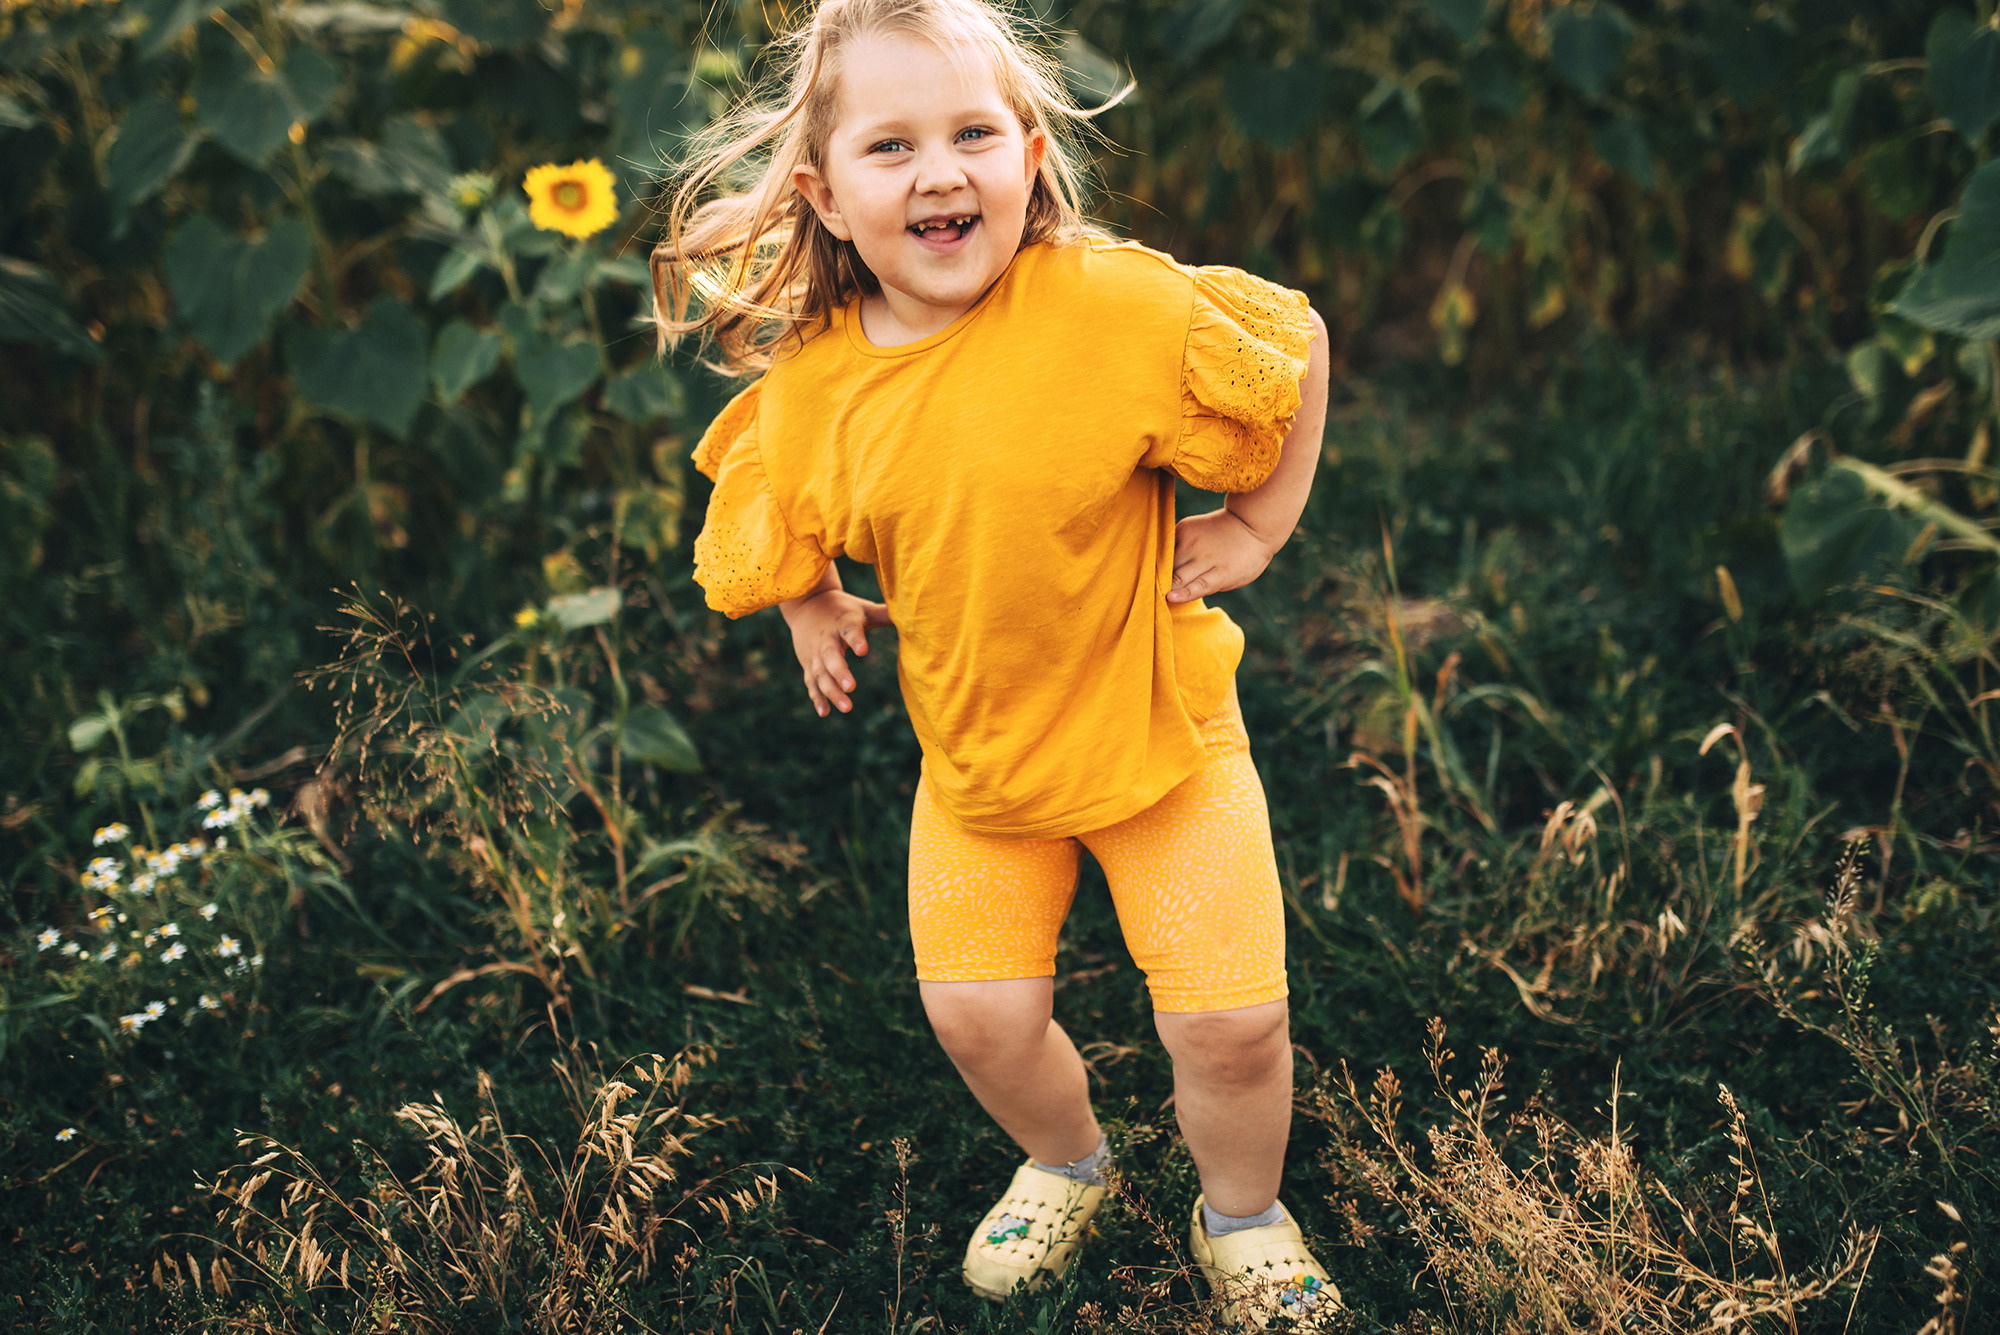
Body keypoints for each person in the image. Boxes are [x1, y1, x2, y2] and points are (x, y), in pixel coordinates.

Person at [650, 0, 1333, 1325]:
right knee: (978, 1018)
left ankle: (1243, 1211)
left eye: (972, 133)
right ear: (828, 198)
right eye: (890, 147)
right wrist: (809, 606)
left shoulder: (1109, 307)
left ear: (1027, 158)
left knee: (1229, 1027)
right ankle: (1066, 1157)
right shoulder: (820, 389)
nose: (940, 172)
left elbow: (1288, 349)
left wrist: (1257, 522)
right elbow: (772, 506)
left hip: (1163, 742)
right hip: (981, 766)